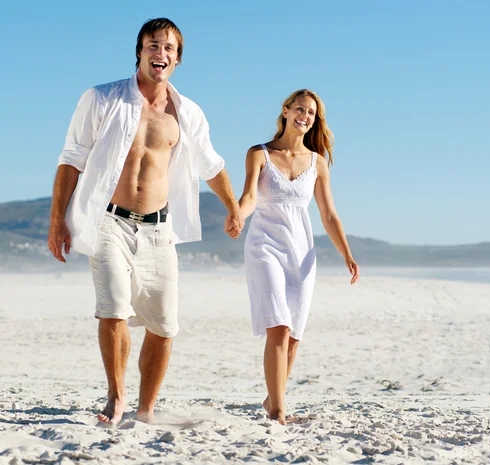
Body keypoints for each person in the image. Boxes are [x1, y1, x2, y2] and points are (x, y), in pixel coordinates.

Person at [47, 18, 241, 426]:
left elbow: (211, 163)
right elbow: (71, 159)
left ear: (177, 59)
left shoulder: (187, 113)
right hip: (108, 222)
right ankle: (116, 399)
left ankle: (146, 409)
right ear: (139, 51)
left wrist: (233, 207)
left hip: (158, 229)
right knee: (114, 310)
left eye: (169, 48)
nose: (161, 53)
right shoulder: (102, 99)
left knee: (164, 324)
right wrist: (57, 221)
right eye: (154, 45)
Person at [238, 89, 359, 424]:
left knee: (292, 337)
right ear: (286, 110)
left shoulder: (317, 162)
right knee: (278, 326)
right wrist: (238, 215)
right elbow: (248, 197)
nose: (305, 116)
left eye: (311, 113)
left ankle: (271, 398)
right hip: (264, 246)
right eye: (300, 109)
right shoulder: (258, 153)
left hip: (301, 251)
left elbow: (329, 215)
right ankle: (278, 411)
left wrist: (346, 254)